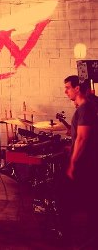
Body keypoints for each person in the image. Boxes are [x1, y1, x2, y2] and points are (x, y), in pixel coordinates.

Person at [56, 75, 98, 246]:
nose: (65, 91)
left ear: (77, 88)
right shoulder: (85, 108)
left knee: (65, 200)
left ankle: (69, 239)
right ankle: (89, 237)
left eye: (68, 88)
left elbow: (82, 138)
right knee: (90, 202)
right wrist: (71, 147)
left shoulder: (85, 109)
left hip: (83, 165)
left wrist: (72, 164)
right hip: (86, 163)